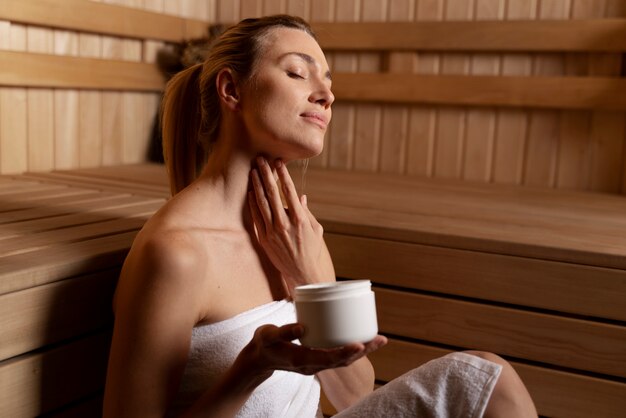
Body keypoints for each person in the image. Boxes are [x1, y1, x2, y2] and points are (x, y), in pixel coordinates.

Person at [103, 15, 537, 418]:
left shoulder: (298, 235)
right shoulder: (177, 253)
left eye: (327, 82)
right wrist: (250, 369)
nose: (327, 95)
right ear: (231, 90)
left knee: (487, 376)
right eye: (296, 72)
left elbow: (357, 393)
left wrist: (307, 277)